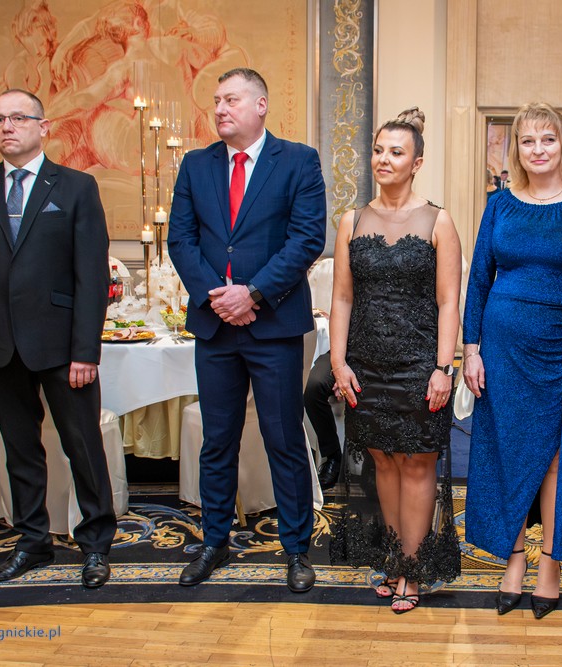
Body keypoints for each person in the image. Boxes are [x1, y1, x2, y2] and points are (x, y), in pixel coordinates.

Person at [0, 88, 115, 588]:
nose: (7, 127)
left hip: (63, 348)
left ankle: (96, 545)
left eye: (18, 118)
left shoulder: (77, 187)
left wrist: (86, 350)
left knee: (83, 447)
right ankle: (33, 541)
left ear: (44, 127)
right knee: (19, 452)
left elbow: (91, 277)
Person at [167, 67, 326, 592]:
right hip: (215, 327)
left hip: (274, 327)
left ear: (260, 105)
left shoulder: (298, 161)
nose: (219, 108)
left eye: (231, 99)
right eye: (216, 100)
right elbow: (180, 240)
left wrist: (252, 293)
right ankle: (214, 542)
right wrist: (219, 296)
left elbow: (306, 239)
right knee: (217, 441)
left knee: (284, 438)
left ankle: (297, 549)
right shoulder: (196, 165)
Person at [462, 102, 562, 619]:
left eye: (548, 139)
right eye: (527, 141)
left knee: (556, 456)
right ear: (516, 149)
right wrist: (470, 349)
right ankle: (513, 559)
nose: (538, 149)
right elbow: (478, 279)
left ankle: (550, 562)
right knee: (505, 450)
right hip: (502, 346)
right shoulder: (500, 205)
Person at [328, 107, 462, 614]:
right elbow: (342, 298)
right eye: (378, 150)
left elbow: (449, 301)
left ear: (416, 163)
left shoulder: (438, 221)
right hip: (365, 363)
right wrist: (339, 362)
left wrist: (443, 368)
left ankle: (413, 567)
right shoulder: (352, 221)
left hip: (419, 363)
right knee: (383, 459)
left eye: (396, 152)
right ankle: (393, 558)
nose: (383, 159)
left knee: (417, 462)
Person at [304, 351, 342, 489]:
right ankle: (333, 455)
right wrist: (340, 368)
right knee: (313, 386)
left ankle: (375, 461)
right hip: (345, 351)